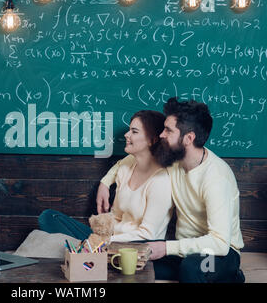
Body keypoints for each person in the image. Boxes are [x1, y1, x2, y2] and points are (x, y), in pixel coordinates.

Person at [98, 97, 245, 283]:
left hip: (218, 253)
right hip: (182, 251)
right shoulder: (173, 159)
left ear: (188, 138)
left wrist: (166, 248)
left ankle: (232, 277)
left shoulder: (216, 177)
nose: (161, 135)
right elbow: (133, 158)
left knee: (192, 269)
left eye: (168, 130)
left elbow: (220, 243)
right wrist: (105, 181)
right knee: (125, 254)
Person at [39, 110, 173, 243]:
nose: (127, 135)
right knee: (49, 217)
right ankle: (88, 249)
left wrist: (104, 241)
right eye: (129, 130)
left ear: (152, 140)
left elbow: (148, 234)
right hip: (110, 240)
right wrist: (104, 184)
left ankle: (87, 249)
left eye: (134, 131)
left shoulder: (161, 181)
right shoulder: (126, 167)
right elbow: (116, 217)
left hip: (137, 247)